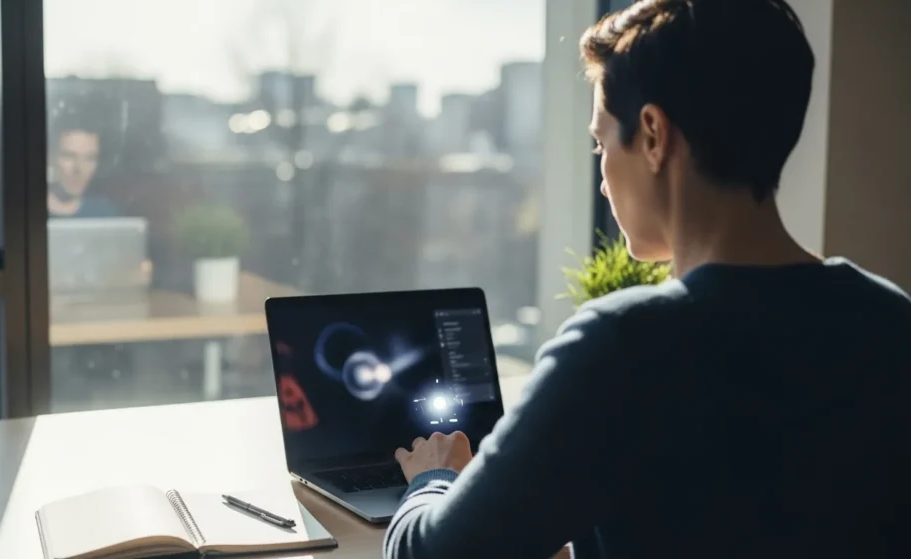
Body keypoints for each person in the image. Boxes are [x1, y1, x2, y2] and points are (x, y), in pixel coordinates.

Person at [384, 1, 911, 558]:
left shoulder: (625, 345)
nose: (603, 175)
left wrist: (432, 480)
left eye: (601, 142)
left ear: (655, 136)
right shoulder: (889, 319)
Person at [48, 121, 118, 218]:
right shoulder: (28, 209)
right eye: (69, 156)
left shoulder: (105, 214)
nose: (79, 168)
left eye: (90, 158)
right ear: (52, 158)